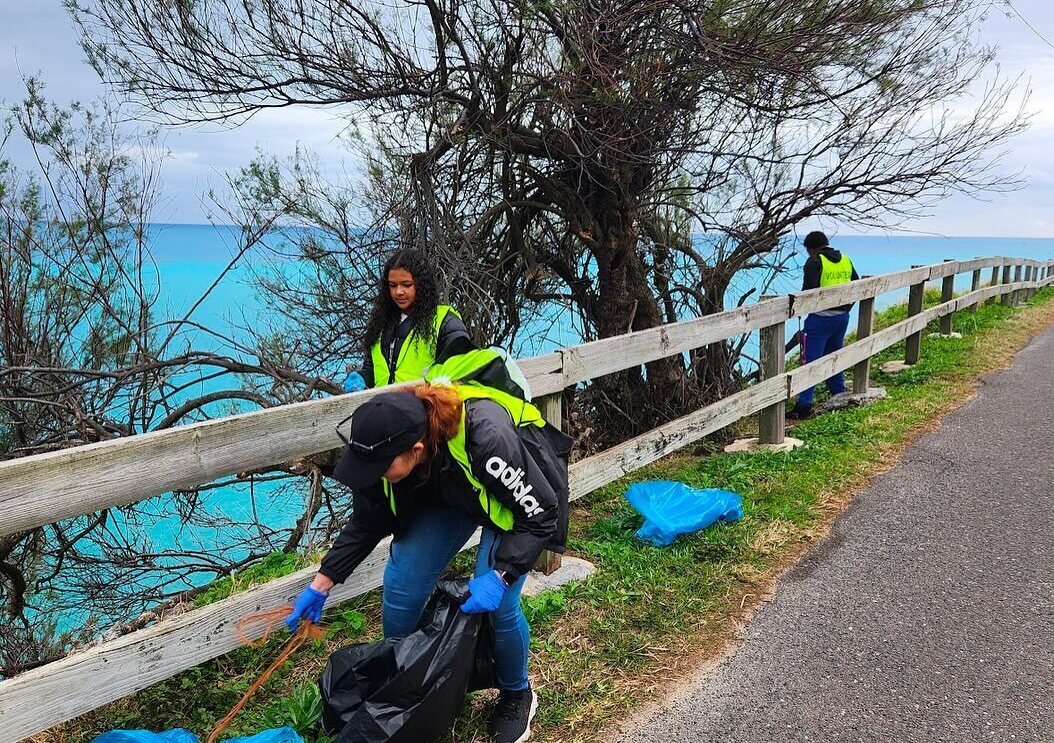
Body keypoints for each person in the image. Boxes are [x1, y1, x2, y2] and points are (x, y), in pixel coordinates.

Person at [286, 380, 572, 743]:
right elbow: (367, 523)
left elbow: (540, 513)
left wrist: (501, 575)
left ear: (416, 449)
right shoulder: (382, 451)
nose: (370, 474)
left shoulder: (488, 438)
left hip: (518, 501)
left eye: (377, 468)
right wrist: (322, 584)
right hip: (454, 492)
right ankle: (407, 684)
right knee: (402, 582)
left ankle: (517, 693)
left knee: (500, 605)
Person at [351, 249, 475, 390]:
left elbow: (460, 371)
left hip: (425, 403)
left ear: (421, 284)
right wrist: (362, 377)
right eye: (392, 285)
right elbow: (373, 369)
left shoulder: (445, 322)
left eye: (406, 284)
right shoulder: (381, 322)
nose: (398, 291)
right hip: (381, 402)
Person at [789, 231, 859, 419]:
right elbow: (857, 285)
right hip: (842, 317)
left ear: (811, 248)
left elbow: (808, 292)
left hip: (820, 318)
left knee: (810, 361)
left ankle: (804, 404)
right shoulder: (845, 259)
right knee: (834, 355)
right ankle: (838, 392)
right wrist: (846, 307)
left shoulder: (814, 261)